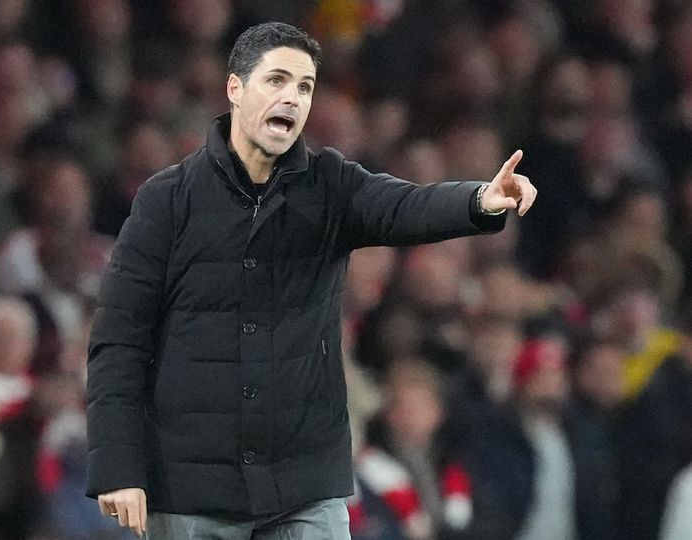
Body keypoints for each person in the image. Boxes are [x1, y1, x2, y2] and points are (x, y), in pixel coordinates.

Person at [86, 21, 537, 539]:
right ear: (235, 88)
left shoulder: (331, 186)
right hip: (191, 489)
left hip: (303, 488)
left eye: (304, 87)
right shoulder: (167, 200)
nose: (292, 98)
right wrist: (118, 467)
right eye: (276, 80)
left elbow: (403, 206)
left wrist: (479, 200)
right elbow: (119, 338)